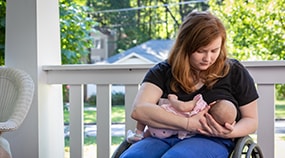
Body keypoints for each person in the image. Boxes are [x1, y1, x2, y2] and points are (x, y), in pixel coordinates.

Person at [120, 11, 259, 158]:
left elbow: (251, 120)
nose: (208, 58)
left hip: (210, 140)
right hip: (161, 137)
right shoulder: (163, 71)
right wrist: (187, 124)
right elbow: (139, 110)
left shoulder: (234, 71)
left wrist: (230, 132)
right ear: (185, 46)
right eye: (201, 51)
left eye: (214, 50)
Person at [127, 94, 237, 143]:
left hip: (161, 120)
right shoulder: (205, 126)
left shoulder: (200, 104)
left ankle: (138, 134)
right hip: (167, 133)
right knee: (152, 130)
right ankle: (145, 134)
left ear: (212, 104)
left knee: (146, 114)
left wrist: (173, 99)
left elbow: (182, 106)